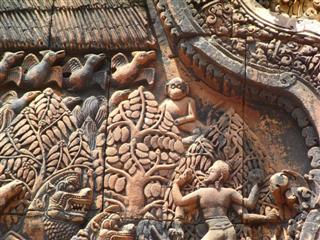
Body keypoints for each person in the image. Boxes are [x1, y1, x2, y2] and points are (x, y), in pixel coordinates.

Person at [172, 160, 260, 240]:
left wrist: (176, 184)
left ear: (220, 176)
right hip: (230, 230)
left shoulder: (203, 192)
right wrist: (256, 185)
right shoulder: (229, 192)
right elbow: (250, 202)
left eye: (212, 171)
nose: (207, 172)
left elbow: (179, 201)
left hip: (217, 230)